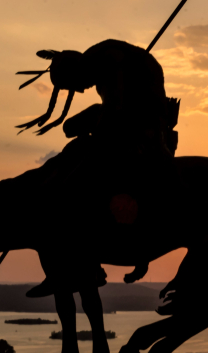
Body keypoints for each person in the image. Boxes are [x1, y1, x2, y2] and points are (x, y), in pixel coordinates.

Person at [19, 39, 179, 297]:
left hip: (139, 131)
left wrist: (93, 128)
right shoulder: (106, 61)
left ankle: (84, 266)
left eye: (74, 85)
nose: (80, 90)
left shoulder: (107, 59)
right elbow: (111, 109)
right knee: (73, 139)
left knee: (74, 186)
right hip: (136, 124)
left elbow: (115, 109)